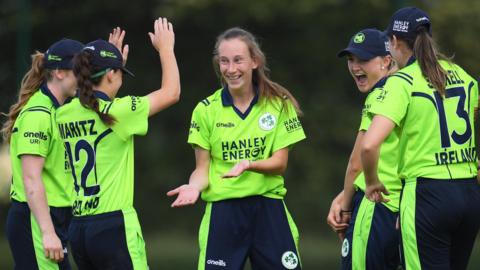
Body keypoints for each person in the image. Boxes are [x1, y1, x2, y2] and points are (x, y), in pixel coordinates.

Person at [168, 27, 306, 270]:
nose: (231, 69)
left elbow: (280, 164)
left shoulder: (278, 105)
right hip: (224, 212)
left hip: (268, 209)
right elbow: (202, 169)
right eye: (224, 61)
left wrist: (249, 165)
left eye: (238, 60)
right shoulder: (205, 110)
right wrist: (193, 186)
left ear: (254, 61)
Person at [55, 18, 180, 269]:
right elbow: (172, 93)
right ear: (111, 74)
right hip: (113, 227)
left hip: (78, 228)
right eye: (119, 72)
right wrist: (166, 50)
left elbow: (99, 108)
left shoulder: (64, 113)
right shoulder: (120, 113)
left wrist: (110, 61)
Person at [362, 7, 480, 270]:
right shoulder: (460, 73)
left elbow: (369, 145)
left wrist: (371, 183)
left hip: (427, 194)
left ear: (393, 41)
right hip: (470, 195)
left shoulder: (401, 82)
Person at [2, 38, 83, 269]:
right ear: (58, 72)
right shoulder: (38, 114)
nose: (84, 78)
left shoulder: (64, 109)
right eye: (80, 71)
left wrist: (112, 69)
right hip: (36, 219)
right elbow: (31, 179)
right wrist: (47, 232)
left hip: (54, 218)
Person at [328, 28, 401, 270]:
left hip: (377, 203)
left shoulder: (381, 94)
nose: (355, 66)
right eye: (351, 59)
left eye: (364, 59)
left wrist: (346, 206)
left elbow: (357, 161)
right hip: (409, 208)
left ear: (387, 61)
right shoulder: (412, 89)